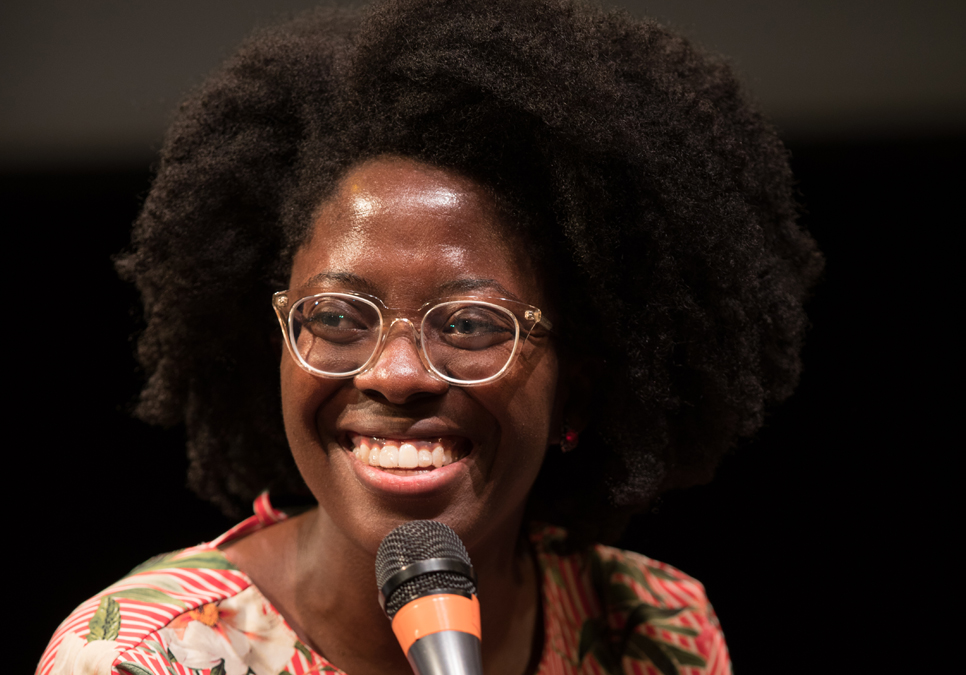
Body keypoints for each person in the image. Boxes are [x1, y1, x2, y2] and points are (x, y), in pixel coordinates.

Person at [38, 0, 822, 673]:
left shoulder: (653, 633)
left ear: (576, 384)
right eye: (338, 316)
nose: (397, 373)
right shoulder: (143, 656)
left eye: (473, 324)